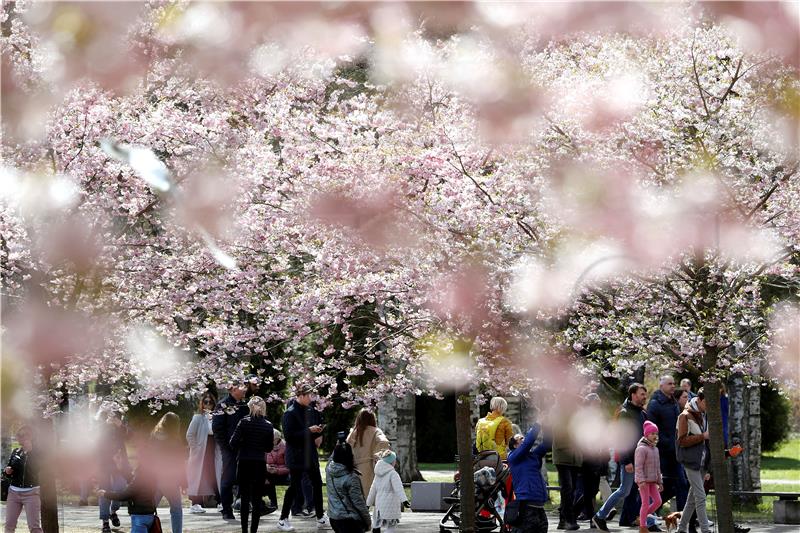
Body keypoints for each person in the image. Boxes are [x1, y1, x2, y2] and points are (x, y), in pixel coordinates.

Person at [593, 383, 654, 532]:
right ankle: (600, 516)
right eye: (642, 394)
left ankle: (649, 523)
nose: (645, 397)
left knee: (646, 491)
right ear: (633, 395)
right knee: (624, 491)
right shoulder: (624, 413)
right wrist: (626, 461)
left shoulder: (643, 413)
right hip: (630, 461)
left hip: (642, 460)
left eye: (645, 394)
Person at [277, 383, 327, 531]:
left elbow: (311, 433)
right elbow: (290, 437)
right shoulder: (290, 413)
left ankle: (320, 517)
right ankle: (283, 519)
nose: (311, 399)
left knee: (317, 485)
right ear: (301, 395)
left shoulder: (311, 411)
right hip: (296, 456)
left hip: (310, 454)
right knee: (294, 487)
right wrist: (309, 430)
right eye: (309, 396)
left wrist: (318, 431)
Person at [230, 396, 274, 533]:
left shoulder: (243, 422)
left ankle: (244, 530)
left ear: (250, 406)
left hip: (244, 463)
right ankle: (253, 530)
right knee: (256, 500)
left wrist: (244, 443)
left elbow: (233, 443)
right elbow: (268, 448)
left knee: (244, 499)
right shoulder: (268, 425)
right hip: (259, 464)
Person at [647, 376, 687, 514]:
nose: (673, 386)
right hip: (662, 452)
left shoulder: (673, 402)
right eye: (669, 384)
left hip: (675, 452)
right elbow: (651, 429)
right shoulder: (655, 404)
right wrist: (666, 443)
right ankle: (649, 514)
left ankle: (684, 517)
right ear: (661, 386)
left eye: (674, 383)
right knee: (662, 486)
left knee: (681, 484)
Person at [676, 391, 711, 533]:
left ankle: (681, 529)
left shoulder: (704, 414)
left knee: (692, 499)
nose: (709, 406)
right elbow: (682, 441)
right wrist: (702, 436)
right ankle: (705, 530)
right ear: (700, 400)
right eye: (707, 403)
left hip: (702, 462)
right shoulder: (684, 416)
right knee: (701, 497)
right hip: (690, 461)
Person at [213, 382, 249, 520]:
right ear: (233, 389)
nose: (245, 389)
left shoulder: (245, 405)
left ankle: (244, 505)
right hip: (229, 448)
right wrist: (225, 447)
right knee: (228, 478)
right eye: (242, 387)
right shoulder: (222, 405)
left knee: (245, 477)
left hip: (244, 447)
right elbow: (217, 428)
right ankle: (226, 509)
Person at [506, 423, 551, 533]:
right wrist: (539, 423)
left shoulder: (534, 456)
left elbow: (547, 443)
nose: (524, 439)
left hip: (539, 504)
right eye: (520, 438)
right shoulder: (513, 457)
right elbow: (528, 443)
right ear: (515, 446)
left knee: (543, 529)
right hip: (527, 505)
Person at [97, 458, 158, 533]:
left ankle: (111, 514)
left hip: (139, 516)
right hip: (150, 516)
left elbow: (123, 496)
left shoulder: (139, 480)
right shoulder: (153, 479)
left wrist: (105, 494)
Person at [186, 392, 222, 513]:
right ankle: (195, 503)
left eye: (210, 402)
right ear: (201, 403)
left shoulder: (217, 417)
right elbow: (190, 435)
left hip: (214, 450)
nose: (208, 404)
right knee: (199, 477)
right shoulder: (197, 417)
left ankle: (221, 502)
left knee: (215, 475)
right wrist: (195, 449)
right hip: (200, 452)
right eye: (205, 402)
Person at [326, 440, 371, 533]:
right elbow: (358, 502)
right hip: (349, 520)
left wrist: (338, 445)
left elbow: (331, 458)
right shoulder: (351, 478)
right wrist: (368, 521)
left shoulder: (329, 470)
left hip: (334, 518)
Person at [3, 426, 43, 533]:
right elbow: (9, 471)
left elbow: (36, 471)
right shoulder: (16, 451)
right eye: (17, 435)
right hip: (13, 493)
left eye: (21, 435)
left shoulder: (37, 453)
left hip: (31, 492)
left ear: (29, 437)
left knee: (34, 527)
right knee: (9, 525)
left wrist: (29, 453)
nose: (18, 438)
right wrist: (7, 472)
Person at [97, 410, 131, 533]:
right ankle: (105, 522)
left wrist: (120, 425)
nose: (112, 418)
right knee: (104, 491)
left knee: (120, 489)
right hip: (104, 464)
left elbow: (129, 436)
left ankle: (113, 511)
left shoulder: (120, 426)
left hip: (120, 464)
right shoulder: (100, 425)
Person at [151, 412, 185, 533]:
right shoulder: (174, 441)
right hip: (170, 480)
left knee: (149, 508)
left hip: (155, 478)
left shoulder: (154, 437)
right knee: (176, 509)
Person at [552, 397, 582, 531]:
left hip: (574, 457)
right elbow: (559, 434)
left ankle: (563, 520)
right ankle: (569, 520)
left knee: (571, 489)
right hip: (563, 455)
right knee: (567, 488)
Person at [346, 408, 391, 498]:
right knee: (368, 494)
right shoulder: (375, 431)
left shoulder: (354, 432)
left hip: (352, 468)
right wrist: (377, 455)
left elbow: (347, 447)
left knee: (356, 495)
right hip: (369, 467)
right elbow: (384, 443)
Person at [367, 451, 408, 533]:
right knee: (391, 527)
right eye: (394, 460)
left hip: (379, 507)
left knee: (376, 525)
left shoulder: (377, 474)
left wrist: (368, 504)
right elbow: (398, 488)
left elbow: (373, 490)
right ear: (392, 462)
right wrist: (404, 500)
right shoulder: (393, 474)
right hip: (391, 507)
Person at [635, 422, 663, 533]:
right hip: (643, 481)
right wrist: (641, 480)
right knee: (645, 503)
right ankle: (642, 527)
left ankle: (641, 517)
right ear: (646, 434)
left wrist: (660, 482)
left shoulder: (655, 449)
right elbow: (638, 466)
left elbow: (658, 467)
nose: (655, 435)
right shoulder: (641, 449)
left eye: (656, 433)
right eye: (652, 433)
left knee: (658, 501)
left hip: (652, 481)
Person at [265, 430, 289, 513]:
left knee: (269, 478)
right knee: (263, 476)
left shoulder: (285, 446)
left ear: (277, 438)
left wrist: (277, 470)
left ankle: (273, 504)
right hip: (269, 473)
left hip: (283, 474)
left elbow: (289, 467)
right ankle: (272, 504)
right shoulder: (266, 446)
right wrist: (266, 466)